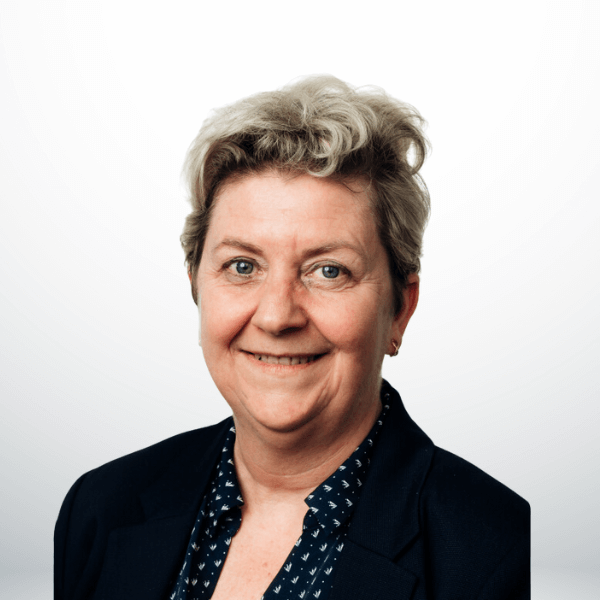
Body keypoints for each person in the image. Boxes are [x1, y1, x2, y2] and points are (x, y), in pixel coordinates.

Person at [54, 76, 530, 600]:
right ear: (196, 288)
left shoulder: (503, 551)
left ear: (399, 310)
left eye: (329, 271)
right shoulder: (99, 509)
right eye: (242, 266)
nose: (277, 316)